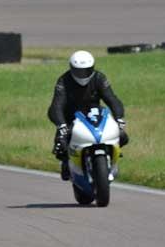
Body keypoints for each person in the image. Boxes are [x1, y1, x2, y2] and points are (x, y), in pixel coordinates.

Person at [48, 50, 129, 180]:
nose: (82, 75)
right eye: (78, 71)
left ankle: (112, 156)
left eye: (86, 71)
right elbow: (56, 105)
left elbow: (112, 99)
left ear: (92, 68)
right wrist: (61, 125)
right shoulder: (64, 80)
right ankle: (66, 163)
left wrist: (119, 118)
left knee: (123, 137)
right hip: (71, 115)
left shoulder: (99, 78)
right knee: (60, 144)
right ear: (71, 68)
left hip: (95, 114)